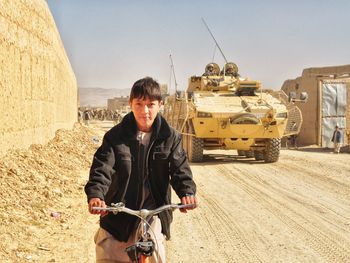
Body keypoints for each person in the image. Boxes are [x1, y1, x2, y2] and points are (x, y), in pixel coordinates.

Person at [84, 77, 197, 263]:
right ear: (130, 104)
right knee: (109, 251)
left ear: (160, 104)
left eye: (151, 104)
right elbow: (102, 169)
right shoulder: (115, 136)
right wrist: (97, 195)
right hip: (119, 211)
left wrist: (187, 192)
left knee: (155, 253)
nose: (145, 111)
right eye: (139, 104)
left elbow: (179, 168)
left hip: (153, 211)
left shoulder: (170, 137)